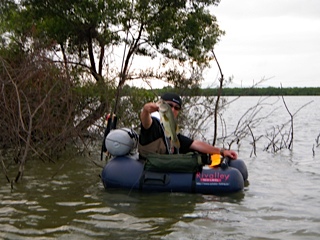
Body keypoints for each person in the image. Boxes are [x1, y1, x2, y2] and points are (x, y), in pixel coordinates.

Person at [138, 92, 238, 160]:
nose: (173, 109)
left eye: (176, 108)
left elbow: (195, 144)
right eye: (169, 105)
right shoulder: (153, 123)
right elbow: (145, 122)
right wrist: (146, 110)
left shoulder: (170, 129)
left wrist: (221, 151)